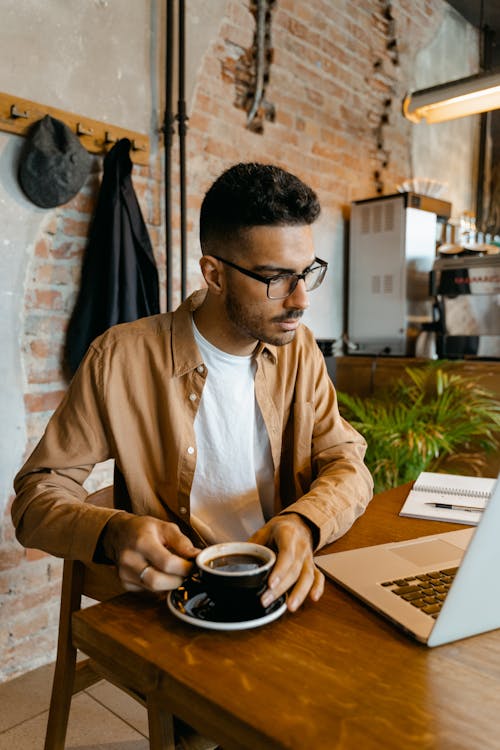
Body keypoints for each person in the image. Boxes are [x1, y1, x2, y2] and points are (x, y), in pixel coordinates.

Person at [12, 162, 373, 615]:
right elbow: (35, 500)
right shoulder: (120, 357)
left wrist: (304, 521)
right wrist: (112, 532)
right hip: (174, 600)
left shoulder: (298, 349)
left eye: (306, 273)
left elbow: (347, 462)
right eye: (276, 278)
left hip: (278, 582)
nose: (301, 299)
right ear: (214, 274)